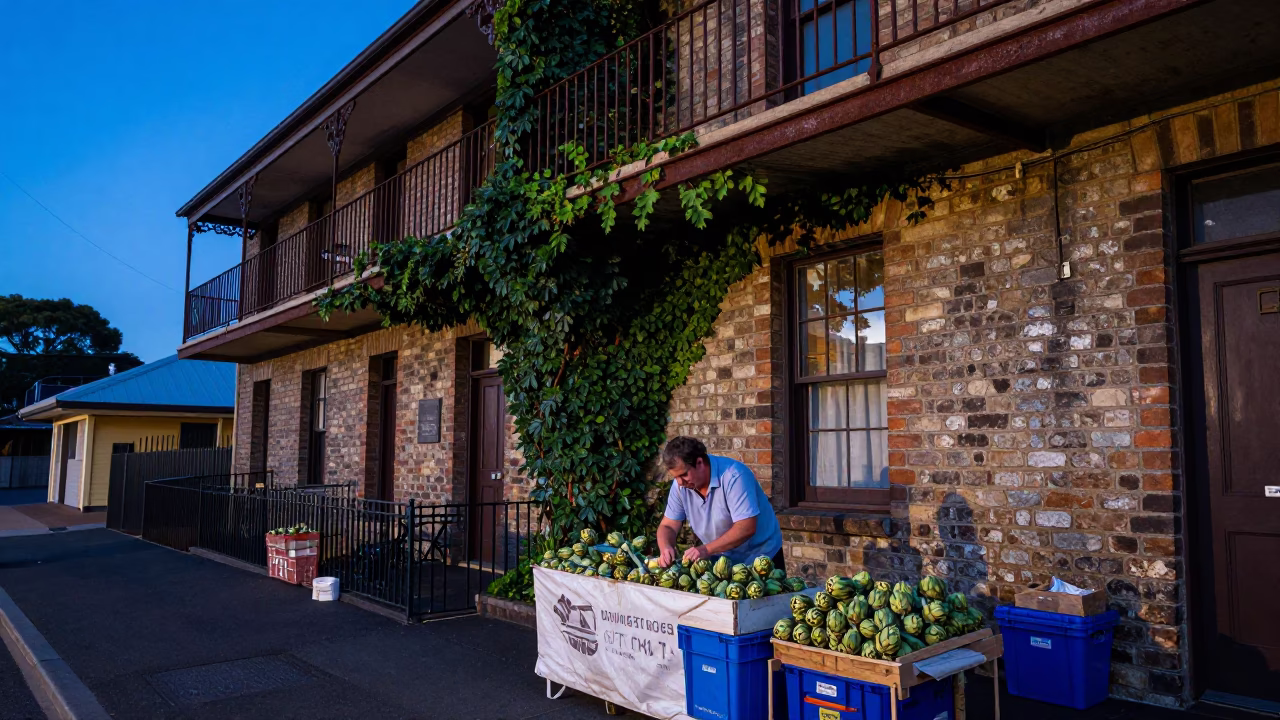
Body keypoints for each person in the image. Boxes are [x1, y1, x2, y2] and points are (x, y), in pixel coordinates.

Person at [655, 436, 784, 569]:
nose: (680, 482)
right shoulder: (681, 486)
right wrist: (666, 547)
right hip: (721, 559)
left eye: (683, 475)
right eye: (675, 477)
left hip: (761, 557)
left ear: (699, 462)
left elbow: (746, 527)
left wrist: (705, 550)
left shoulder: (734, 476)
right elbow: (669, 525)